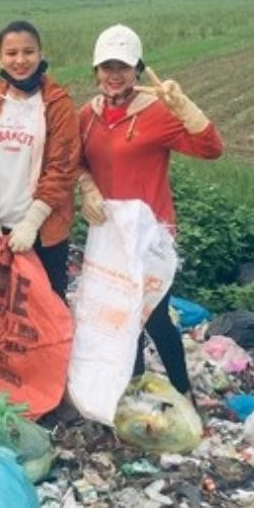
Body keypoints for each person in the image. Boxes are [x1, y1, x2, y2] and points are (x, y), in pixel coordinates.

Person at [76, 24, 223, 395]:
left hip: (150, 236)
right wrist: (87, 188)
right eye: (106, 67)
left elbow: (211, 148)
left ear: (137, 70)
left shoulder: (157, 113)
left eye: (123, 67)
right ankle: (131, 393)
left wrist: (184, 106)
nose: (114, 75)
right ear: (95, 71)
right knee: (120, 321)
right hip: (108, 235)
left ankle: (183, 394)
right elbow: (75, 161)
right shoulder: (87, 116)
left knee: (154, 318)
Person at [0, 20, 79, 300]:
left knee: (46, 308)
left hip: (42, 232)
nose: (20, 60)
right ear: (0, 58)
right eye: (11, 53)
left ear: (40, 54)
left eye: (28, 52)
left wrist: (31, 223)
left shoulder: (57, 105)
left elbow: (62, 169)